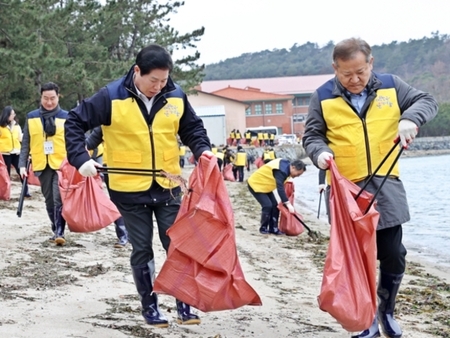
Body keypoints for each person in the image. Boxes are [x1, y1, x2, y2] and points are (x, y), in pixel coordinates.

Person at [64, 44, 212, 328]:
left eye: (164, 80)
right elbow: (74, 122)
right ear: (137, 72)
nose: (158, 86)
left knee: (177, 244)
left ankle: (184, 302)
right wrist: (81, 158)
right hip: (129, 189)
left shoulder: (175, 95)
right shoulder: (110, 96)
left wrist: (202, 149)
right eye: (153, 80)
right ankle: (151, 307)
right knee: (142, 249)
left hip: (168, 185)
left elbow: (192, 128)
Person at [302, 37, 438, 338]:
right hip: (346, 190)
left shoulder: (391, 85)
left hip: (386, 185)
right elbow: (311, 136)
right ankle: (363, 321)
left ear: (371, 63)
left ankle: (385, 309)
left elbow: (428, 101)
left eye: (361, 72)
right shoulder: (322, 96)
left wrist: (410, 119)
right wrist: (320, 153)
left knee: (393, 253)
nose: (355, 80)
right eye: (347, 74)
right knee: (355, 259)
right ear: (335, 69)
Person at [19, 82, 68, 245]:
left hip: (61, 165)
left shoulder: (66, 117)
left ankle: (60, 232)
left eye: (52, 98)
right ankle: (55, 228)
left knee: (57, 198)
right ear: (41, 98)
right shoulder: (31, 117)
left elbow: (73, 141)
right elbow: (26, 142)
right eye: (45, 98)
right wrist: (22, 165)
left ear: (58, 97)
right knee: (48, 199)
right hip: (41, 164)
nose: (49, 102)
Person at [85, 127, 129, 249]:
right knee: (117, 202)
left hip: (139, 169)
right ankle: (123, 235)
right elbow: (89, 143)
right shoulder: (106, 120)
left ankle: (132, 234)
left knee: (135, 203)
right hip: (112, 167)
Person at [247, 158, 306, 235]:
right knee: (267, 205)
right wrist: (287, 203)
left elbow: (282, 182)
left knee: (275, 205)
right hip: (256, 184)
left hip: (266, 186)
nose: (297, 176)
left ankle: (273, 228)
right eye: (298, 174)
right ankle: (263, 228)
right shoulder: (281, 171)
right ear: (293, 167)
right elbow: (280, 188)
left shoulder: (286, 166)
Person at [0, 106, 31, 197]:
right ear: (7, 115)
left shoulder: (17, 126)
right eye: (12, 114)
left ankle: (26, 190)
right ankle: (6, 192)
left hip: (16, 152)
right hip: (5, 153)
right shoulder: (1, 127)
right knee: (6, 174)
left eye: (14, 114)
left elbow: (20, 138)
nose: (14, 115)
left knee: (21, 171)